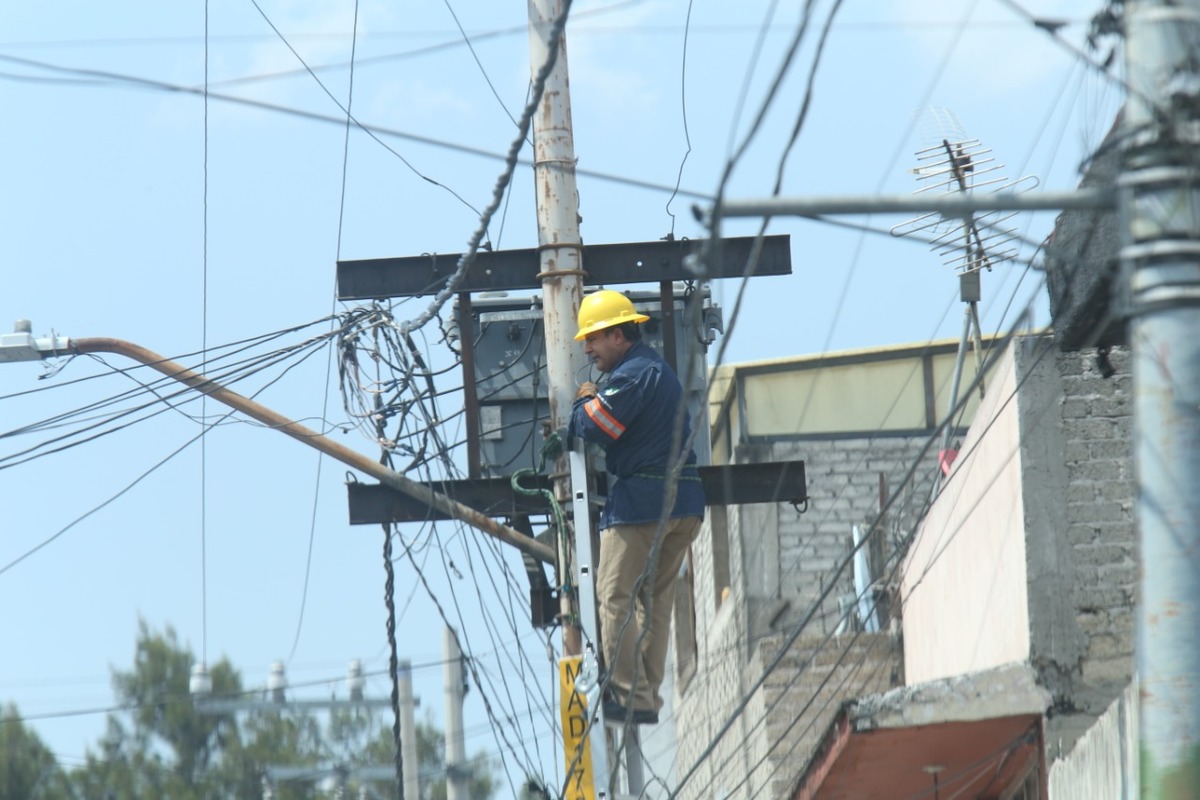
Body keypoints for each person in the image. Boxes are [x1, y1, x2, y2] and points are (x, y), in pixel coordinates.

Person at [567, 289, 705, 726]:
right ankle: (644, 699)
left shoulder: (632, 376)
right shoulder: (654, 371)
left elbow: (593, 426)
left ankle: (629, 698)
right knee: (653, 600)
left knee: (614, 597)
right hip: (684, 503)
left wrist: (582, 403)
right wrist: (597, 396)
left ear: (619, 335)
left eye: (593, 339)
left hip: (642, 504)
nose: (587, 349)